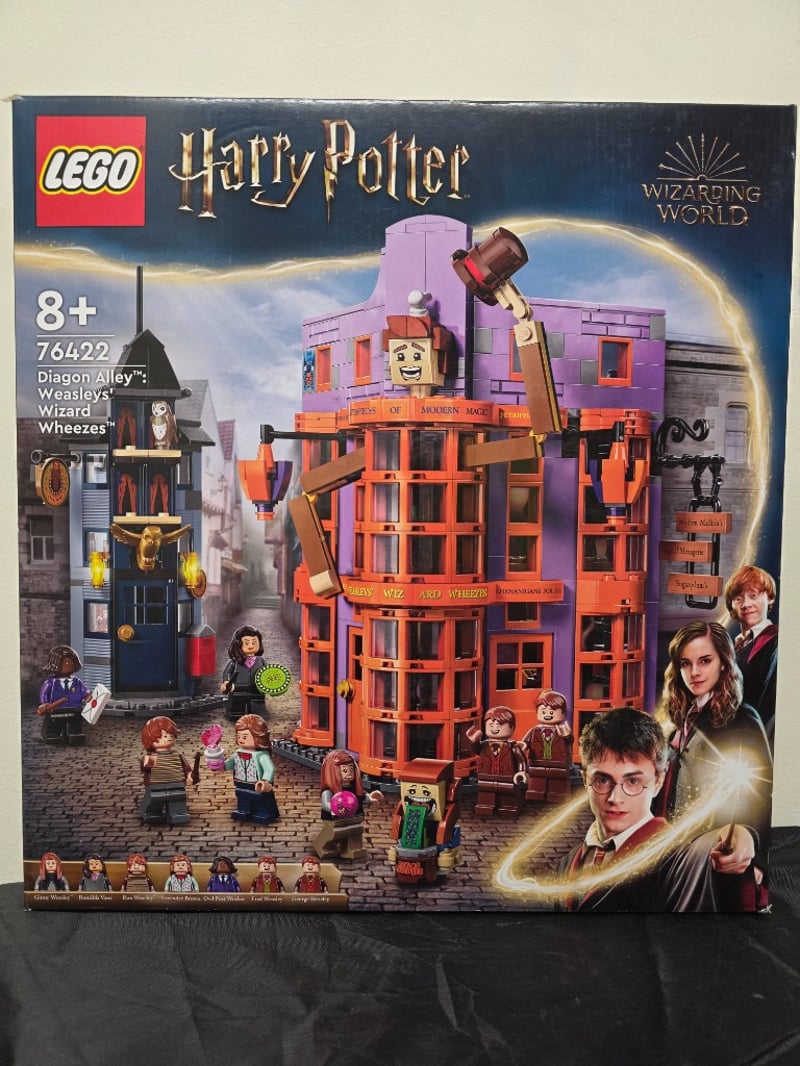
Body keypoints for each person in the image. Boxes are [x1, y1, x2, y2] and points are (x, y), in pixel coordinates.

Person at [560, 707, 749, 912]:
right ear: (585, 779)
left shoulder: (672, 856)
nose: (615, 798)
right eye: (602, 780)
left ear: (658, 782)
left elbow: (700, 855)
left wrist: (742, 835)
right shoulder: (567, 863)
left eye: (633, 781)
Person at [658, 620, 772, 907]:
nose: (694, 672)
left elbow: (761, 792)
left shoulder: (743, 719)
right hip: (678, 854)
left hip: (720, 856)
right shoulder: (681, 720)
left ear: (723, 663)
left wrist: (756, 854)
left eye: (705, 661)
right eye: (685, 663)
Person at [724, 564, 778, 741]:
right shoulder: (734, 646)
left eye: (753, 595)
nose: (746, 604)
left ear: (769, 597)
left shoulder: (777, 643)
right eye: (738, 599)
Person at [312, 749, 382, 860]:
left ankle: (352, 849)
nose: (349, 773)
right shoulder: (329, 791)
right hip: (335, 819)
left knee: (355, 831)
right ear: (332, 772)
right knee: (335, 832)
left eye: (351, 769)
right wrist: (335, 808)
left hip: (355, 817)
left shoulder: (355, 787)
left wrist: (370, 798)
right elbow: (326, 804)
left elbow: (361, 796)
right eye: (344, 770)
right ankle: (324, 845)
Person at [220, 714, 279, 824]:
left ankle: (264, 812)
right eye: (239, 736)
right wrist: (219, 764)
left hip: (257, 784)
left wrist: (266, 781)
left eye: (244, 737)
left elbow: (269, 769)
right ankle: (243, 810)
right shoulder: (237, 753)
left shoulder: (262, 755)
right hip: (241, 781)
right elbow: (229, 764)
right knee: (242, 795)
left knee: (261, 798)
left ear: (258, 737)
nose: (241, 740)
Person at [220, 624, 267, 721]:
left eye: (254, 642)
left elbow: (267, 672)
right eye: (247, 643)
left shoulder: (260, 661)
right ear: (238, 644)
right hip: (238, 688)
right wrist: (226, 682)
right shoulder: (235, 662)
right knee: (236, 704)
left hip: (256, 689)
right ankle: (235, 714)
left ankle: (257, 714)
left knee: (257, 704)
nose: (251, 646)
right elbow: (227, 672)